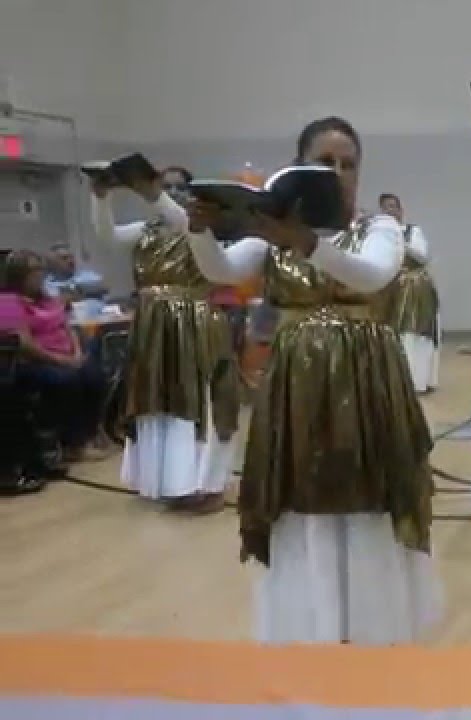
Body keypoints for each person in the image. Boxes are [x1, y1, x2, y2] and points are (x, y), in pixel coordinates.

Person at [184, 116, 441, 644]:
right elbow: (222, 271)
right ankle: (315, 625)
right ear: (300, 167)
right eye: (326, 162)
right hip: (297, 378)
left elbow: (371, 275)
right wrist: (200, 229)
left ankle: (374, 624)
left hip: (366, 374)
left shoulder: (379, 228)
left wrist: (305, 241)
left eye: (349, 163)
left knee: (368, 491)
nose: (340, 172)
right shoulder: (271, 232)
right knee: (303, 496)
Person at [90, 164, 237, 513]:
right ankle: (165, 481)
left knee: (197, 401)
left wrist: (154, 194)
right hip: (153, 323)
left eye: (177, 187)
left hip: (193, 320)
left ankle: (203, 483)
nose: (170, 193)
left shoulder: (203, 228)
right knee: (153, 400)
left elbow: (189, 229)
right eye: (164, 187)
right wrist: (100, 196)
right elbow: (107, 236)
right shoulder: (147, 229)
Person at [0, 250, 110, 463]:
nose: (40, 275)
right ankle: (72, 443)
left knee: (94, 375)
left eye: (41, 270)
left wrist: (76, 353)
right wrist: (60, 360)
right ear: (19, 275)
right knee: (67, 380)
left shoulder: (48, 299)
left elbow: (67, 328)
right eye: (34, 271)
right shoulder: (7, 302)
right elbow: (24, 344)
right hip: (34, 362)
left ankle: (90, 433)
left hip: (67, 356)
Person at [375, 192, 440, 394]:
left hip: (413, 288)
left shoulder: (412, 232)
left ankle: (415, 381)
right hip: (388, 288)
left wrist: (399, 241)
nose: (390, 211)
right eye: (385, 207)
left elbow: (422, 256)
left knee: (412, 333)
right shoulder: (377, 235)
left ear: (401, 210)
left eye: (393, 206)